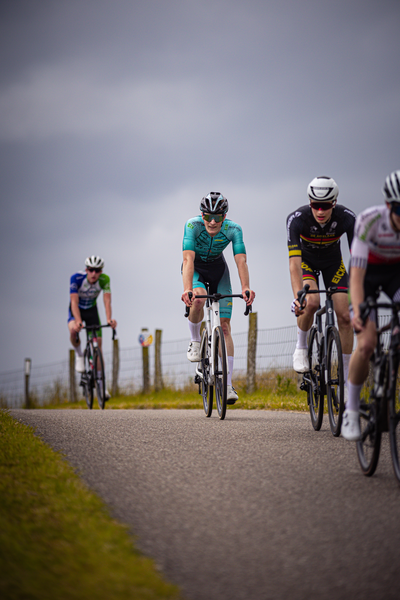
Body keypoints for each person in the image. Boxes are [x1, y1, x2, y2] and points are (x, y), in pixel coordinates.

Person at [342, 170, 400, 441]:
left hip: (396, 275)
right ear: (389, 205)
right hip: (368, 274)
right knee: (365, 343)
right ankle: (351, 410)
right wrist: (358, 309)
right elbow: (356, 275)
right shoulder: (370, 221)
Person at [181, 192, 255, 405]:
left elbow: (241, 261)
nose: (212, 222)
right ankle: (195, 341)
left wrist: (246, 287)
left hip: (218, 270)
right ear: (201, 214)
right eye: (208, 216)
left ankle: (228, 384)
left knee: (225, 327)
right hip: (195, 270)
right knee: (199, 298)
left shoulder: (234, 229)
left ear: (225, 216)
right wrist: (188, 289)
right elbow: (188, 259)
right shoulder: (192, 226)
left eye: (218, 217)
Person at [287, 176, 355, 385]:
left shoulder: (347, 218)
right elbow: (295, 264)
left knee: (344, 316)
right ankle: (301, 347)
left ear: (334, 203)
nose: (320, 212)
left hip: (333, 264)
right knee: (312, 302)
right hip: (307, 263)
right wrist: (299, 297)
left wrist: (356, 292)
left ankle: (345, 379)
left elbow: (358, 259)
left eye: (325, 206)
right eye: (316, 206)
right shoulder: (297, 219)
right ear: (310, 203)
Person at [68, 256, 117, 398]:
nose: (94, 274)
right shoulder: (76, 279)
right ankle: (79, 354)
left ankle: (102, 387)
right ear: (86, 270)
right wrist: (77, 321)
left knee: (98, 346)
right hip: (76, 309)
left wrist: (109, 319)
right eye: (91, 270)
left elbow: (107, 301)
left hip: (91, 311)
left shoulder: (104, 279)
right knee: (73, 330)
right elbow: (73, 302)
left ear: (101, 271)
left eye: (97, 270)